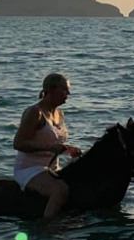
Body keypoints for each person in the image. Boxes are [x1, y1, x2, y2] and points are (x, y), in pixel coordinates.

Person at [13, 72, 83, 218]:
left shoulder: (60, 113)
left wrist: (69, 151)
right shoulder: (35, 112)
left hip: (52, 168)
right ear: (51, 90)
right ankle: (47, 226)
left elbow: (54, 144)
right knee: (60, 190)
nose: (68, 93)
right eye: (64, 89)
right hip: (30, 168)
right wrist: (49, 148)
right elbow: (18, 143)